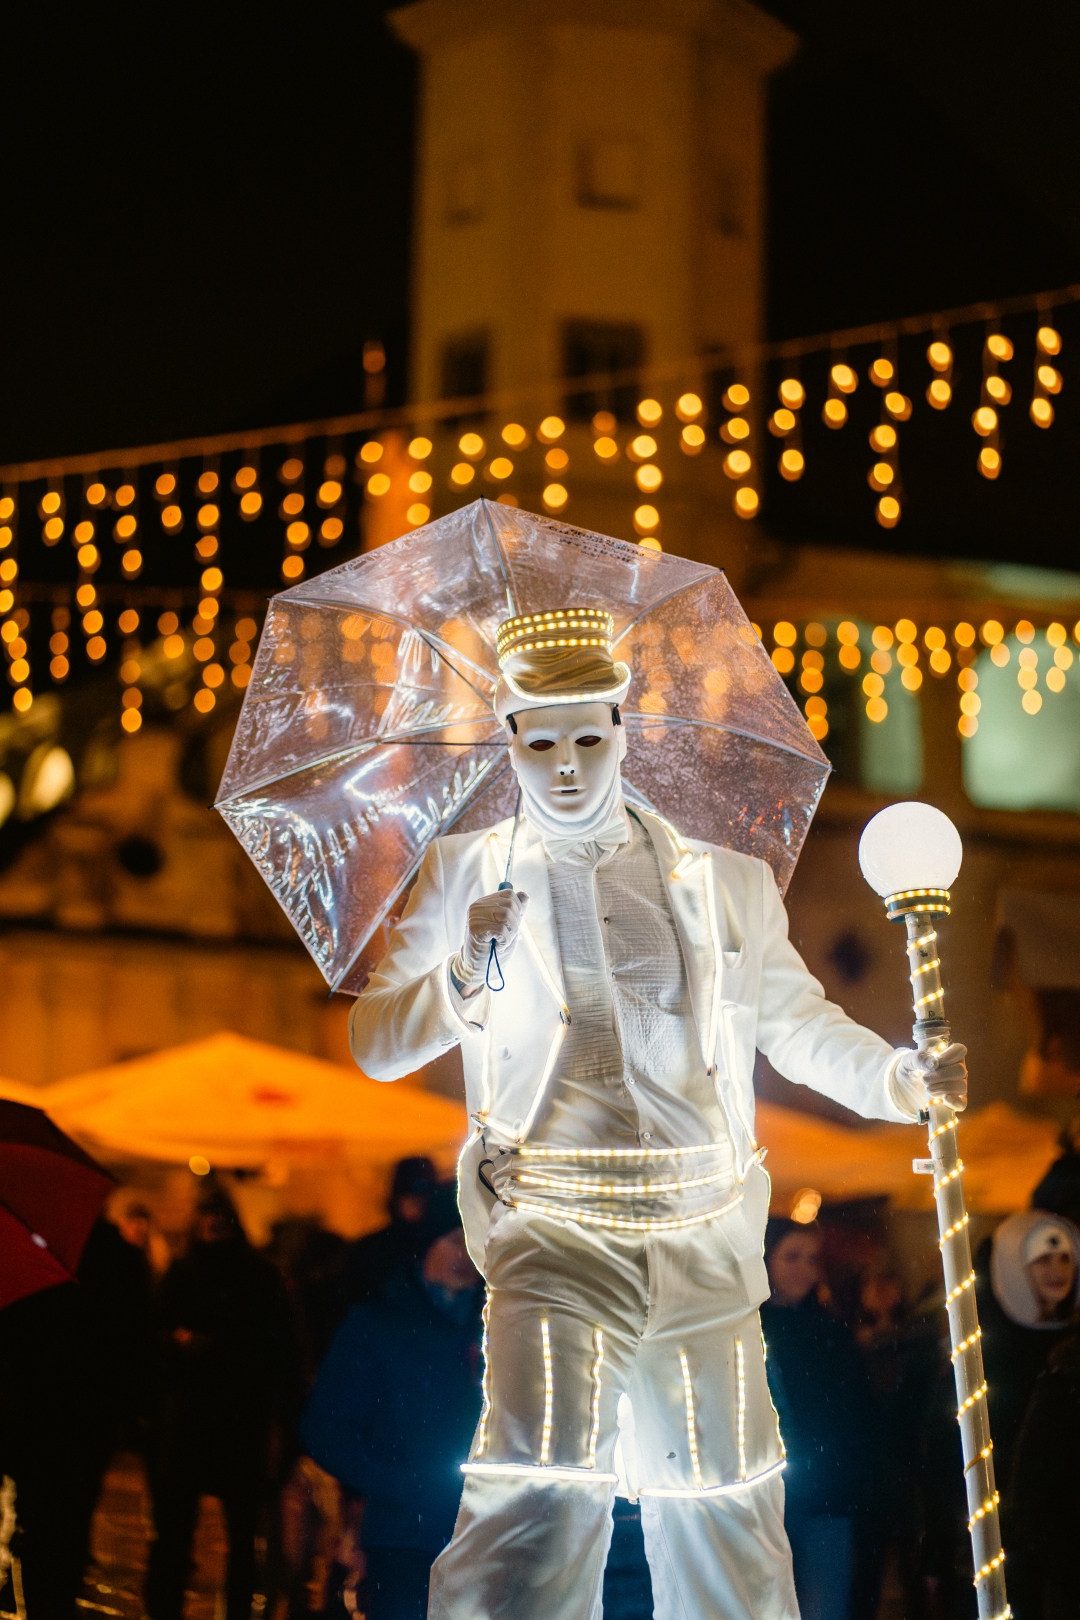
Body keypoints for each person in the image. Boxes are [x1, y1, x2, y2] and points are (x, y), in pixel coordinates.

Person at [349, 603, 967, 1620]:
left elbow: (797, 1024)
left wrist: (899, 1083)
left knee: (725, 1514)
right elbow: (376, 1043)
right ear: (508, 742)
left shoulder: (724, 884)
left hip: (701, 1239)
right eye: (539, 740)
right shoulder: (466, 873)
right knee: (535, 1507)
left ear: (624, 733)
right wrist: (464, 969)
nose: (564, 764)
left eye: (587, 736)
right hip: (553, 1229)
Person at [300, 1187, 484, 1620]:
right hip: (404, 1540)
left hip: (488, 1534)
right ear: (428, 1243)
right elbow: (324, 1428)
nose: (465, 1254)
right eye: (453, 1240)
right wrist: (399, 1484)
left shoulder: (503, 1327)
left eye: (475, 1242)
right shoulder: (378, 1325)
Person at [145, 1181, 301, 1620]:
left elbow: (280, 1351)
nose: (214, 1223)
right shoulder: (183, 1272)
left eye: (221, 1215)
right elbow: (154, 1339)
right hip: (191, 1419)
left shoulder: (256, 1277)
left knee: (241, 1537)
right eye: (207, 1215)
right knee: (175, 1533)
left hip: (237, 1420)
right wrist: (176, 1346)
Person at [759, 1218, 870, 1620]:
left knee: (824, 1605)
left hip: (825, 1494)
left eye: (812, 1258)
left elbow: (854, 1415)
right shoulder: (745, 1328)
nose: (805, 1268)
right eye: (791, 1257)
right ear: (765, 1258)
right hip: (763, 1497)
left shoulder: (831, 1332)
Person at [341, 1156, 440, 1307]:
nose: (418, 1202)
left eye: (425, 1194)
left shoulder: (443, 1246)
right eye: (410, 1193)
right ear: (397, 1197)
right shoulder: (372, 1249)